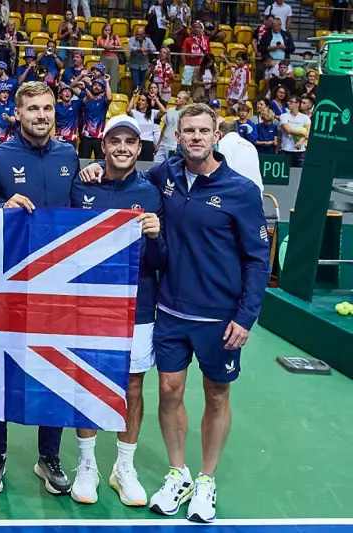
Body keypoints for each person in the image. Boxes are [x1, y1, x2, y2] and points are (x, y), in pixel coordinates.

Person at [78, 103, 271, 523]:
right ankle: (178, 472)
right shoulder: (163, 178)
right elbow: (123, 173)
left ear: (216, 134)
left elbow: (259, 259)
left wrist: (246, 315)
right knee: (169, 392)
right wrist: (92, 168)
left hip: (221, 317)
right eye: (189, 131)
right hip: (169, 311)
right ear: (177, 137)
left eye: (204, 130)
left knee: (217, 395)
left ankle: (206, 478)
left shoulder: (241, 190)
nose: (196, 138)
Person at [0, 81, 80, 497]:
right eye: (33, 109)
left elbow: (81, 206)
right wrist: (0, 208)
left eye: (47, 108)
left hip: (56, 286)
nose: (42, 115)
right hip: (4, 285)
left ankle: (49, 457)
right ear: (17, 113)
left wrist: (94, 175)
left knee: (55, 370)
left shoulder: (68, 154)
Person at [68, 114, 166, 507]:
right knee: (87, 381)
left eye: (130, 142)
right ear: (103, 146)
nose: (122, 148)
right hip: (86, 302)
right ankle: (87, 464)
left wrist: (157, 237)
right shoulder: (81, 185)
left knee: (132, 385)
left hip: (137, 304)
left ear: (139, 149)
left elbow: (161, 258)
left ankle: (123, 467)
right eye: (115, 141)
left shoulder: (153, 193)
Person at [217, 119, 263, 194]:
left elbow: (224, 172)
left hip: (236, 193)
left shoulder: (222, 143)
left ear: (220, 133)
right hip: (257, 192)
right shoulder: (250, 145)